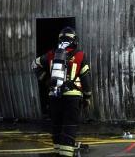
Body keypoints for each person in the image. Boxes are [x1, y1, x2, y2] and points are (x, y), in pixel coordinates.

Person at [34, 27, 92, 157]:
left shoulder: (50, 54)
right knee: (69, 126)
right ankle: (65, 154)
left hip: (54, 95)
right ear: (74, 40)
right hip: (72, 97)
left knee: (56, 125)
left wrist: (47, 80)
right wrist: (87, 97)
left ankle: (57, 152)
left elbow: (35, 65)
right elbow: (85, 79)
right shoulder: (80, 55)